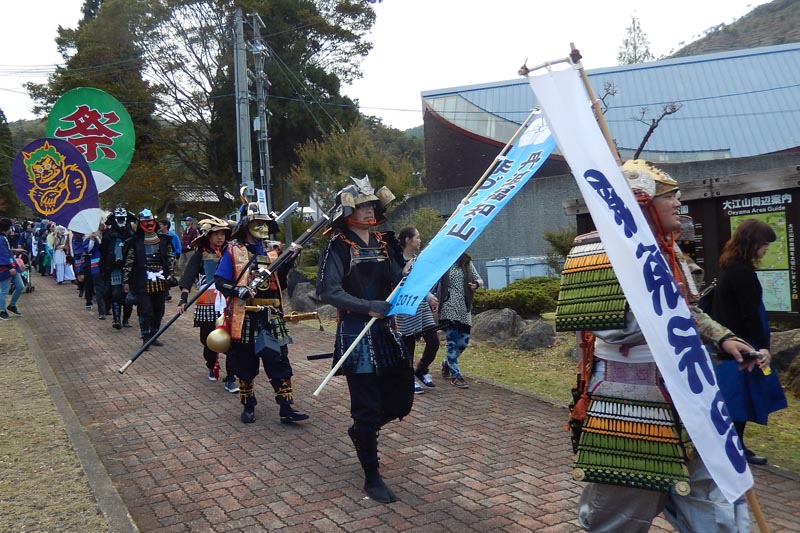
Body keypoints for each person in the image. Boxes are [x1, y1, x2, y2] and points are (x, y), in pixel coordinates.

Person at [556, 160, 757, 532]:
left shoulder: (669, 251)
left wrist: (724, 338)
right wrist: (658, 301)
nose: (679, 204)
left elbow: (688, 311)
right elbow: (608, 328)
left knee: (718, 504)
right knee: (618, 514)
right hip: (631, 401)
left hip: (692, 395)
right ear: (641, 201)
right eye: (670, 197)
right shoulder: (597, 249)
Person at [316, 176, 413, 503]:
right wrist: (367, 305)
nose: (369, 210)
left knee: (401, 399)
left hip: (387, 331)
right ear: (348, 211)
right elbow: (328, 290)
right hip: (355, 333)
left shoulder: (385, 241)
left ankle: (361, 432)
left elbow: (397, 278)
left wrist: (410, 276)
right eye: (362, 206)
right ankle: (372, 475)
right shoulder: (338, 245)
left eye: (372, 204)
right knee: (367, 408)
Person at [213, 202, 308, 424]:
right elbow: (220, 280)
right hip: (246, 315)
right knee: (246, 363)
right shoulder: (233, 250)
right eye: (258, 223)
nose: (264, 228)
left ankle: (286, 407)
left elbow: (279, 281)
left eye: (266, 224)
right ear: (246, 226)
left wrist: (289, 260)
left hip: (271, 314)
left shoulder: (273, 250)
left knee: (279, 361)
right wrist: (238, 290)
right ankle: (248, 405)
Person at [710, 218, 787, 466]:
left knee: (734, 399)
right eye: (765, 243)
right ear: (753, 243)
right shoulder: (743, 273)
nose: (766, 249)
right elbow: (751, 313)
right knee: (739, 400)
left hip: (729, 342)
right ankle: (736, 448)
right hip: (742, 345)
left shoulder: (728, 267)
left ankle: (736, 446)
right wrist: (762, 346)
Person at [178, 214, 238, 392]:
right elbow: (189, 277)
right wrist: (183, 298)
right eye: (216, 234)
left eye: (223, 234)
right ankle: (212, 364)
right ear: (208, 236)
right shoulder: (200, 255)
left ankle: (231, 377)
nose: (220, 237)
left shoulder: (231, 252)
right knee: (208, 339)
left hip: (227, 298)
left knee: (233, 340)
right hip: (207, 299)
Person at [395, 227, 440, 394]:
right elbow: (399, 283)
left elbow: (420, 283)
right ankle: (408, 379)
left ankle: (421, 369)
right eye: (417, 237)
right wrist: (402, 273)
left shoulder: (417, 260)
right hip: (405, 306)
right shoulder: (396, 260)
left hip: (421, 305)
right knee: (408, 344)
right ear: (407, 240)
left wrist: (429, 297)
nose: (419, 240)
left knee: (433, 341)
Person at [123, 208, 175, 348]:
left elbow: (170, 258)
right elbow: (129, 262)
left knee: (159, 310)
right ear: (140, 224)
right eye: (145, 222)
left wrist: (170, 273)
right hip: (142, 281)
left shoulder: (164, 240)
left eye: (150, 221)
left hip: (160, 280)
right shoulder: (135, 242)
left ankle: (154, 336)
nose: (148, 224)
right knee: (145, 310)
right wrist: (126, 281)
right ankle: (145, 338)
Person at [438, 253, 483, 389]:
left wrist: (476, 284)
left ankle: (446, 363)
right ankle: (455, 375)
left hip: (464, 307)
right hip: (448, 306)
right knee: (452, 342)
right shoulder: (444, 261)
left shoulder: (466, 262)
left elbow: (479, 279)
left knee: (463, 342)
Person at [100, 208, 135, 329]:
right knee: (115, 293)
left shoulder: (131, 234)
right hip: (114, 267)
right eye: (118, 218)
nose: (121, 221)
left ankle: (126, 320)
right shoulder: (108, 235)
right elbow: (103, 252)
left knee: (128, 293)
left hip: (129, 268)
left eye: (122, 218)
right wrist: (103, 268)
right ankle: (117, 320)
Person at [0, 218, 25, 320]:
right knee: (4, 290)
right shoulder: (1, 239)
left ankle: (12, 305)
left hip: (11, 265)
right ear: (8, 228)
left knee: (20, 287)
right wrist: (10, 267)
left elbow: (6, 251)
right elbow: (3, 255)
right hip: (5, 268)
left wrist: (14, 250)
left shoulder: (4, 238)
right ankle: (2, 310)